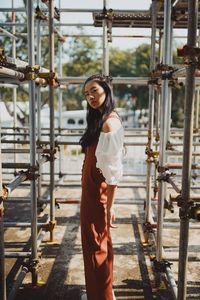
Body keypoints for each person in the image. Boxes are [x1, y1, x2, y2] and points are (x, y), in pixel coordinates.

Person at [79, 74, 124, 300]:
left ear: (106, 89)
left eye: (94, 90)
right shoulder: (100, 118)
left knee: (96, 248)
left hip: (98, 195)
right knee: (98, 246)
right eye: (87, 94)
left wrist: (109, 207)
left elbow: (114, 172)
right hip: (91, 193)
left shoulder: (109, 123)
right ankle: (104, 293)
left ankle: (102, 296)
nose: (90, 97)